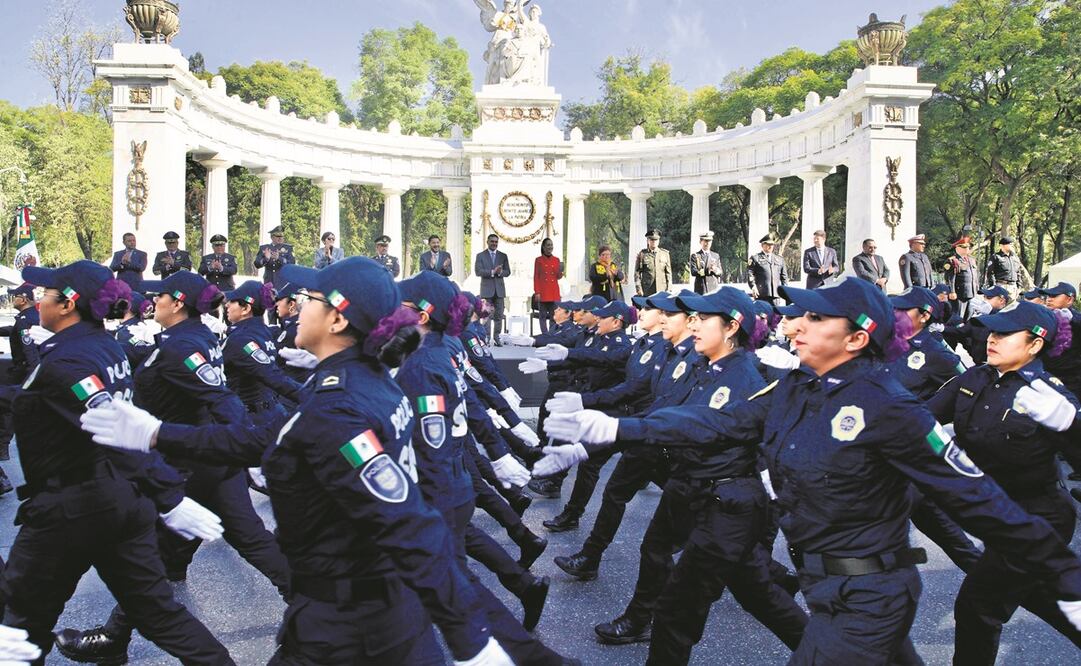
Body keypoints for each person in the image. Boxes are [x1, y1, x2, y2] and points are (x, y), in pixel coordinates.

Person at [543, 275, 1081, 664]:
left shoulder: (889, 407)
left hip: (869, 595)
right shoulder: (796, 385)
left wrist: (1066, 578)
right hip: (823, 584)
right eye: (801, 314)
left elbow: (974, 496)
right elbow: (721, 423)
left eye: (817, 318)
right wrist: (616, 430)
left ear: (856, 338)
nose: (796, 325)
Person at [78, 257, 523, 665]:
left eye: (307, 299)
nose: (293, 306)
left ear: (337, 317)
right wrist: (156, 433)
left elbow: (407, 522)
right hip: (345, 612)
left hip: (354, 620)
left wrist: (471, 635)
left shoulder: (340, 402)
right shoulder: (352, 380)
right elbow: (259, 436)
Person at [55, 270, 291, 664]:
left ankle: (115, 638)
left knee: (150, 560)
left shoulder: (181, 347)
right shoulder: (190, 339)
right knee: (242, 539)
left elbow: (221, 399)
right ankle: (308, 600)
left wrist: (242, 443)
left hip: (191, 466)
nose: (153, 303)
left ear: (177, 302)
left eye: (160, 296)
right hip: (208, 461)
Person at [4, 260, 233, 664]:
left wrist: (170, 496)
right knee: (161, 615)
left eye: (47, 294)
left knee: (20, 627)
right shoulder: (103, 346)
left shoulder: (67, 360)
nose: (39, 300)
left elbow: (113, 430)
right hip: (120, 499)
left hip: (71, 506)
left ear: (67, 304)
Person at [927, 301, 1081, 662]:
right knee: (1034, 593)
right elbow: (922, 417)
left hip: (1037, 518)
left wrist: (1073, 425)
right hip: (997, 515)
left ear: (1034, 344)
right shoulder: (975, 377)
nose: (992, 339)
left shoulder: (1050, 395)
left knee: (978, 606)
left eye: (1004, 334)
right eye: (992, 332)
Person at [0, 284, 39, 495]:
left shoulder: (26, 320)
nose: (12, 299)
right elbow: (13, 331)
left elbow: (30, 354)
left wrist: (31, 383)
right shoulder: (28, 317)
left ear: (23, 299)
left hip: (24, 376)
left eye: (14, 297)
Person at [475, 234, 511, 343]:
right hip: (486, 290)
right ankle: (485, 337)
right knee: (486, 315)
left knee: (499, 315)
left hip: (499, 291)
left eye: (496, 242)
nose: (494, 243)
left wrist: (500, 272)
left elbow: (508, 272)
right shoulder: (480, 256)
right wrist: (492, 272)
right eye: (492, 241)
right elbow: (478, 271)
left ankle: (497, 337)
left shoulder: (503, 256)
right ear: (487, 242)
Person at [943, 235, 979, 320]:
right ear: (957, 248)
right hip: (960, 294)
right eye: (964, 247)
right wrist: (952, 291)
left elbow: (975, 276)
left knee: (969, 316)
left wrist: (977, 289)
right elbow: (950, 277)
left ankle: (966, 332)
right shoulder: (953, 260)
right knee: (958, 317)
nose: (967, 249)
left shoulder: (972, 260)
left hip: (971, 292)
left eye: (968, 247)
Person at [747, 233, 788, 305]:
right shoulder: (755, 258)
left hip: (776, 294)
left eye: (771, 245)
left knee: (776, 316)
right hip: (762, 294)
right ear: (762, 245)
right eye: (768, 244)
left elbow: (784, 277)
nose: (770, 246)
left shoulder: (779, 259)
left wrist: (785, 291)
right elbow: (750, 274)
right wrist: (753, 286)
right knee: (762, 315)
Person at [533, 237, 562, 334]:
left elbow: (558, 277)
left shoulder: (556, 260)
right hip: (543, 292)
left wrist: (561, 271)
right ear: (543, 247)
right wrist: (537, 292)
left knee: (554, 316)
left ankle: (552, 334)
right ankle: (545, 335)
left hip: (553, 291)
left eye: (551, 245)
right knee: (542, 316)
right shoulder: (539, 260)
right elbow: (536, 277)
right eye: (548, 245)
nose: (550, 247)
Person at [253, 226, 295, 291]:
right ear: (272, 237)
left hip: (282, 283)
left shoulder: (288, 248)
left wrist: (279, 258)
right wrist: (266, 259)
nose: (280, 238)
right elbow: (257, 264)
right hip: (268, 282)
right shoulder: (264, 248)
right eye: (278, 236)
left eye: (282, 236)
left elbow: (292, 264)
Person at [635, 229, 672, 296]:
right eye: (652, 240)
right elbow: (637, 273)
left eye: (656, 240)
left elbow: (668, 273)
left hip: (662, 290)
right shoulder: (642, 254)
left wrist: (669, 288)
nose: (654, 242)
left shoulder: (665, 254)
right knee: (648, 306)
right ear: (648, 241)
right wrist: (638, 288)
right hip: (647, 290)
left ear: (659, 241)